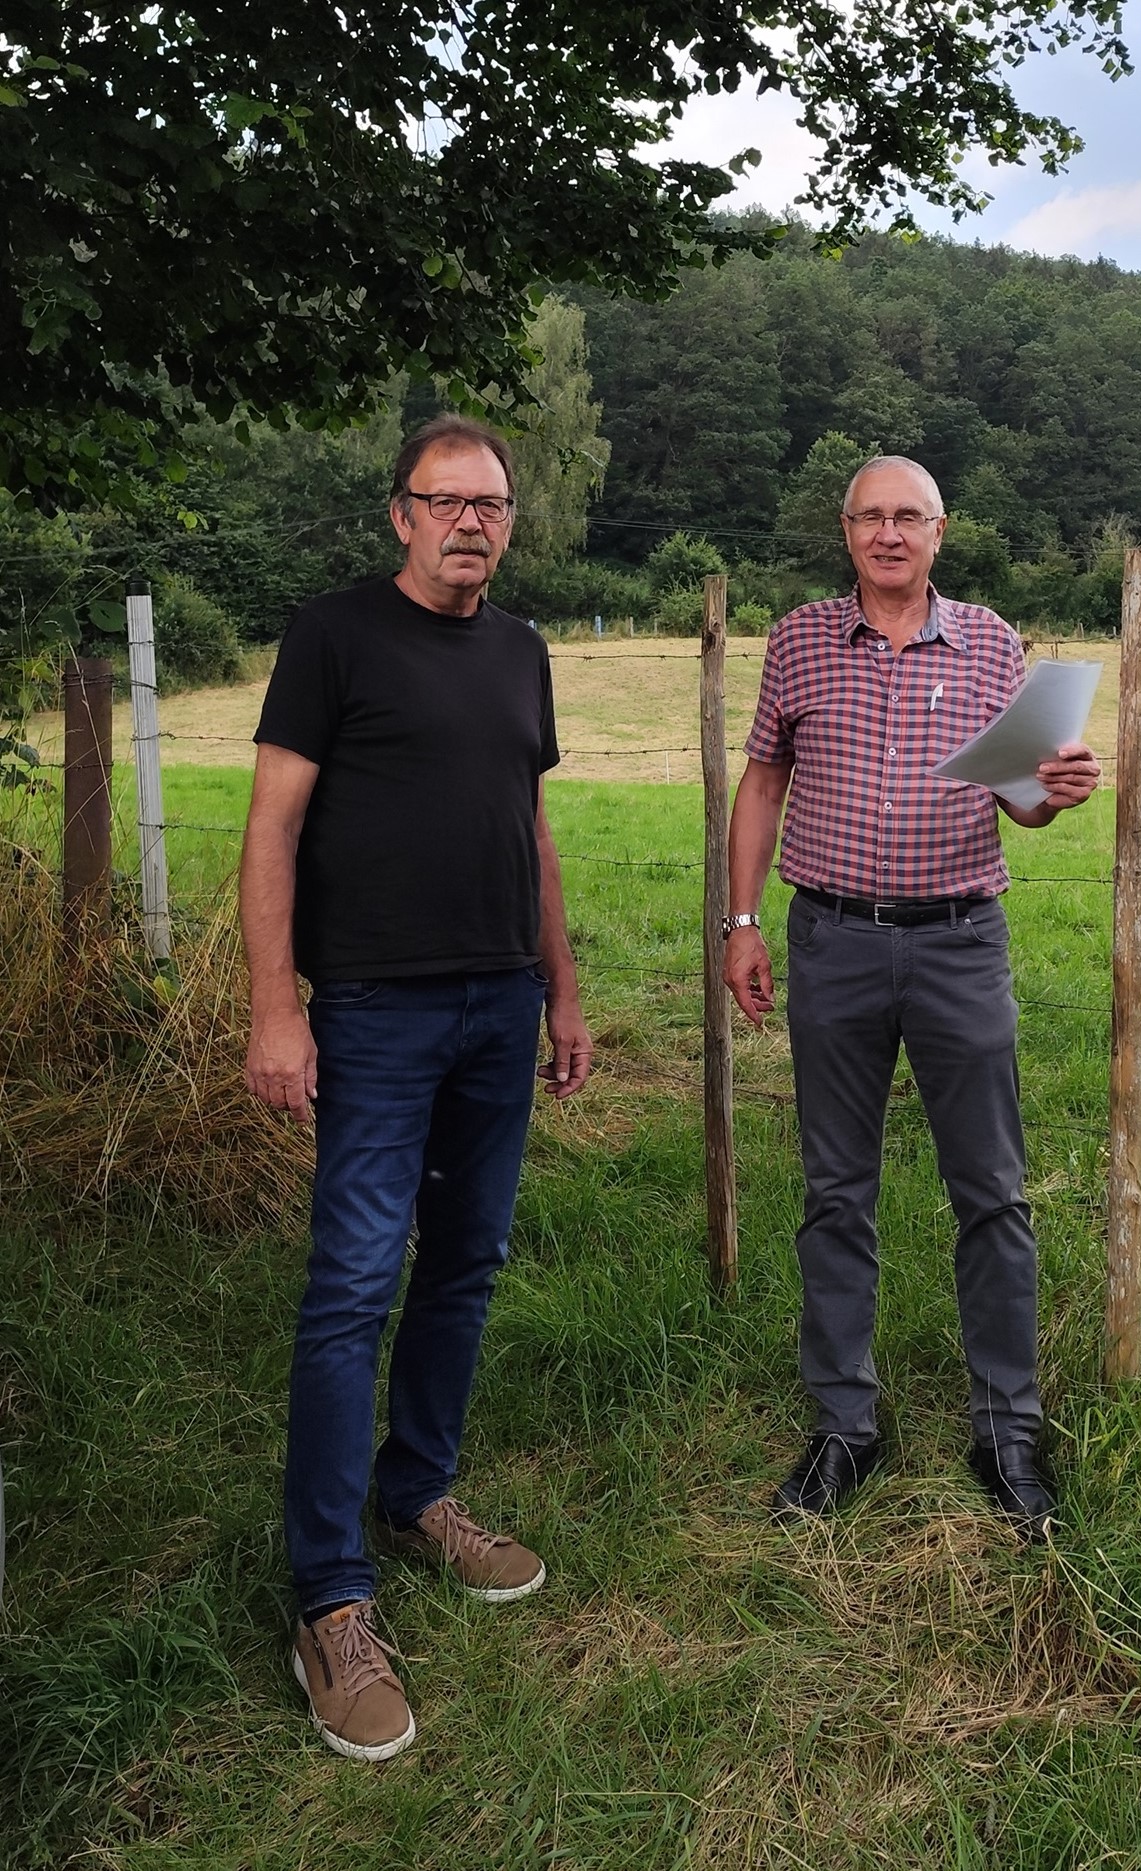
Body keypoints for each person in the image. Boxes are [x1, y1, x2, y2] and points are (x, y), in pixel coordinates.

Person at [240, 413, 591, 1762]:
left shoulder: (520, 650)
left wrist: (561, 989)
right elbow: (272, 825)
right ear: (401, 514)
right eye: (446, 501)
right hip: (374, 1012)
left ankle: (418, 1490)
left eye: (491, 503)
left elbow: (530, 827)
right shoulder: (333, 636)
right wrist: (276, 1007)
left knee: (466, 1261)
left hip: (499, 1004)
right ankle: (330, 1597)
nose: (470, 522)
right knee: (350, 1285)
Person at [723, 455, 1099, 1539]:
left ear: (940, 532)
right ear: (845, 531)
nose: (887, 533)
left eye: (908, 517)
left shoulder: (989, 642)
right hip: (831, 940)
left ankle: (1006, 1430)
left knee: (991, 1191)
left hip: (958, 944)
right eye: (869, 516)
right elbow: (763, 779)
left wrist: (1055, 791)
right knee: (834, 1190)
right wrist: (740, 920)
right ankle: (844, 1425)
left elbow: (1020, 797)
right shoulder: (798, 639)